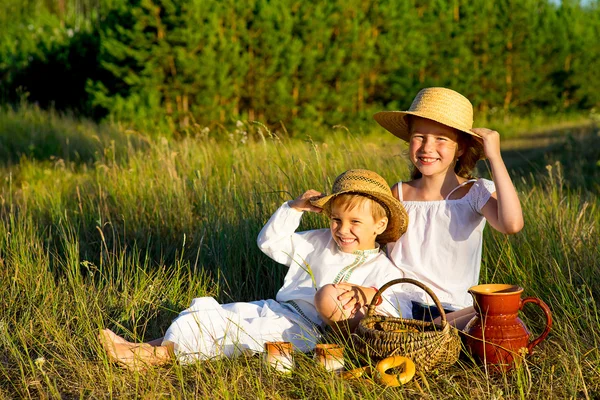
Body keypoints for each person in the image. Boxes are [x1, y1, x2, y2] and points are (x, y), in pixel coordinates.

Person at [98, 169, 412, 370]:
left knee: (240, 334)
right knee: (222, 315)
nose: (343, 230)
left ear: (380, 224)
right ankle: (144, 346)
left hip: (307, 330)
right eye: (336, 220)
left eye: (355, 222)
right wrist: (294, 207)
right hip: (280, 307)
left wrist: (373, 296)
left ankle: (153, 358)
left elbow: (401, 307)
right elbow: (270, 242)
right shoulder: (317, 242)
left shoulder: (380, 266)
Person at [373, 87, 524, 329]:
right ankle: (419, 334)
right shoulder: (398, 193)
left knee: (496, 314)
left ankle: (430, 332)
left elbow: (511, 224)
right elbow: (373, 245)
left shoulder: (475, 193)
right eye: (419, 137)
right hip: (398, 304)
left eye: (440, 139)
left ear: (461, 148)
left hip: (453, 311)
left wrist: (494, 156)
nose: (426, 148)